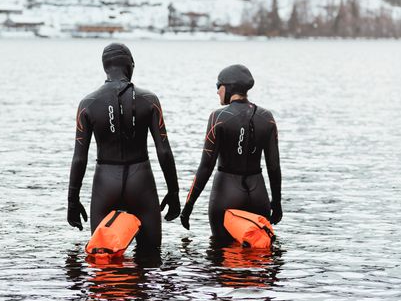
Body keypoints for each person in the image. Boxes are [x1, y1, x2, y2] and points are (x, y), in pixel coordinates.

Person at [67, 43, 180, 249]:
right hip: (141, 181)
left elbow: (79, 158)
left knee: (103, 261)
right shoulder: (149, 100)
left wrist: (72, 201)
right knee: (151, 258)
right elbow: (163, 151)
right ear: (131, 65)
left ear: (105, 67)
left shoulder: (88, 103)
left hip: (105, 183)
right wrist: (174, 192)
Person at [177, 64, 282, 240]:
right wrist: (277, 204)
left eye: (219, 86)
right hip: (259, 195)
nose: (217, 91)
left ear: (228, 87)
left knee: (220, 254)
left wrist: (188, 206)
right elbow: (274, 167)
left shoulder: (218, 117)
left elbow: (206, 167)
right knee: (259, 256)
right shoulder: (267, 117)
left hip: (226, 193)